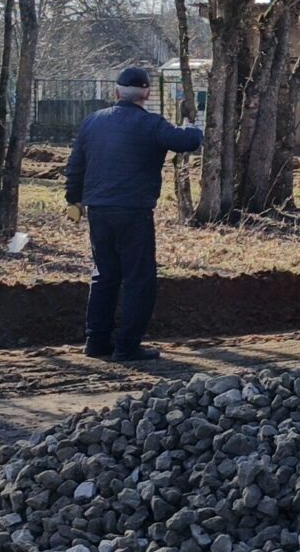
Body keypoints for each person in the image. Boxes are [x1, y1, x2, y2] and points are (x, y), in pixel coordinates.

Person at [65, 66, 203, 362]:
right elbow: (189, 142)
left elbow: (75, 165)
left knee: (104, 275)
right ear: (147, 94)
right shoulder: (151, 124)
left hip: (98, 211)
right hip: (133, 212)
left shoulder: (92, 122)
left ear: (116, 92)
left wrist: (73, 201)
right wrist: (192, 126)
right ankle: (127, 346)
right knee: (139, 279)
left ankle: (96, 341)